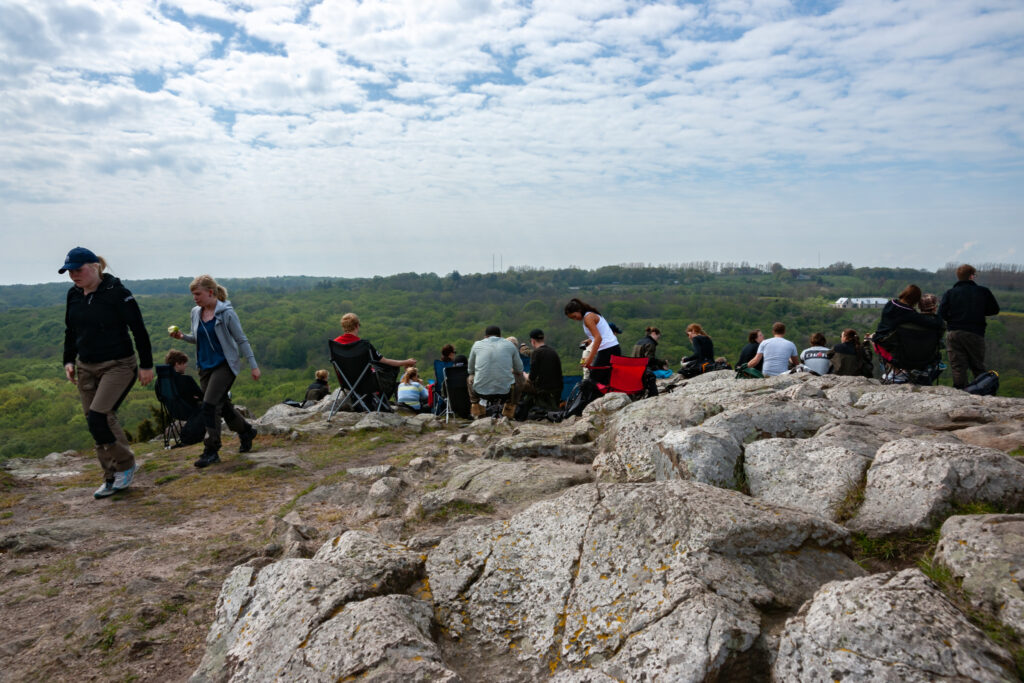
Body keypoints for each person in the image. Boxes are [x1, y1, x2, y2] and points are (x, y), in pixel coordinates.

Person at [60, 247, 153, 499]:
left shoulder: (117, 293)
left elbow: (139, 330)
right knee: (93, 421)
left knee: (100, 416)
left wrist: (146, 365)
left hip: (118, 364)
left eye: (78, 269)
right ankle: (110, 476)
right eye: (69, 271)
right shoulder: (73, 294)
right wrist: (68, 360)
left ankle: (125, 465)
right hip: (85, 365)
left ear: (95, 267)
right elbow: (71, 330)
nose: (73, 275)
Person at [169, 275, 260, 468]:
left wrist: (253, 365)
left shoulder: (226, 313)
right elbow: (198, 338)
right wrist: (183, 337)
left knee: (209, 406)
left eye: (198, 294)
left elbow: (241, 340)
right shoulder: (196, 312)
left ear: (210, 292)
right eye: (193, 294)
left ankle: (211, 450)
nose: (194, 298)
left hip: (224, 365)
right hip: (204, 367)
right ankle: (246, 431)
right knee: (222, 406)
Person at [939, 265, 1000, 389]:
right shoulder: (983, 291)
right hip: (975, 333)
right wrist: (979, 312)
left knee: (958, 366)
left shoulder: (950, 293)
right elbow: (995, 309)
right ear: (971, 276)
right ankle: (983, 390)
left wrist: (953, 319)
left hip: (954, 332)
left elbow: (941, 314)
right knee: (978, 366)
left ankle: (960, 391)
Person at [332, 312, 416, 401]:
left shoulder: (335, 344)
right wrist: (406, 362)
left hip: (345, 382)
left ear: (344, 327)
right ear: (357, 326)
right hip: (365, 383)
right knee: (392, 369)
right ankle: (381, 402)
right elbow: (386, 361)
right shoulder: (363, 345)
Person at [467, 325, 524, 419]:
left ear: (485, 336)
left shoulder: (477, 345)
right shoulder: (510, 345)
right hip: (506, 392)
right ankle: (509, 409)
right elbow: (519, 369)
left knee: (470, 378)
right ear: (500, 336)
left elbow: (470, 370)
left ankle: (477, 410)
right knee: (520, 377)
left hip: (480, 391)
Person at [564, 298, 620, 385]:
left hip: (607, 350)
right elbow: (603, 333)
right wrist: (590, 340)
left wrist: (589, 359)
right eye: (572, 318)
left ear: (579, 310)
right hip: (613, 348)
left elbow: (598, 338)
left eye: (574, 316)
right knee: (605, 380)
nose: (575, 319)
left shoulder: (588, 318)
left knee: (593, 382)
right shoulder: (592, 314)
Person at [874, 285, 944, 339]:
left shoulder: (890, 303)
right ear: (915, 300)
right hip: (888, 343)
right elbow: (934, 324)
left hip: (879, 337)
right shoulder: (908, 313)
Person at [520, 328, 563, 413]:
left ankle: (519, 410)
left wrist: (524, 374)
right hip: (558, 388)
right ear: (543, 338)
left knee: (520, 385)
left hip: (543, 389)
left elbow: (531, 378)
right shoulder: (553, 351)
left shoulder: (536, 353)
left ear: (532, 341)